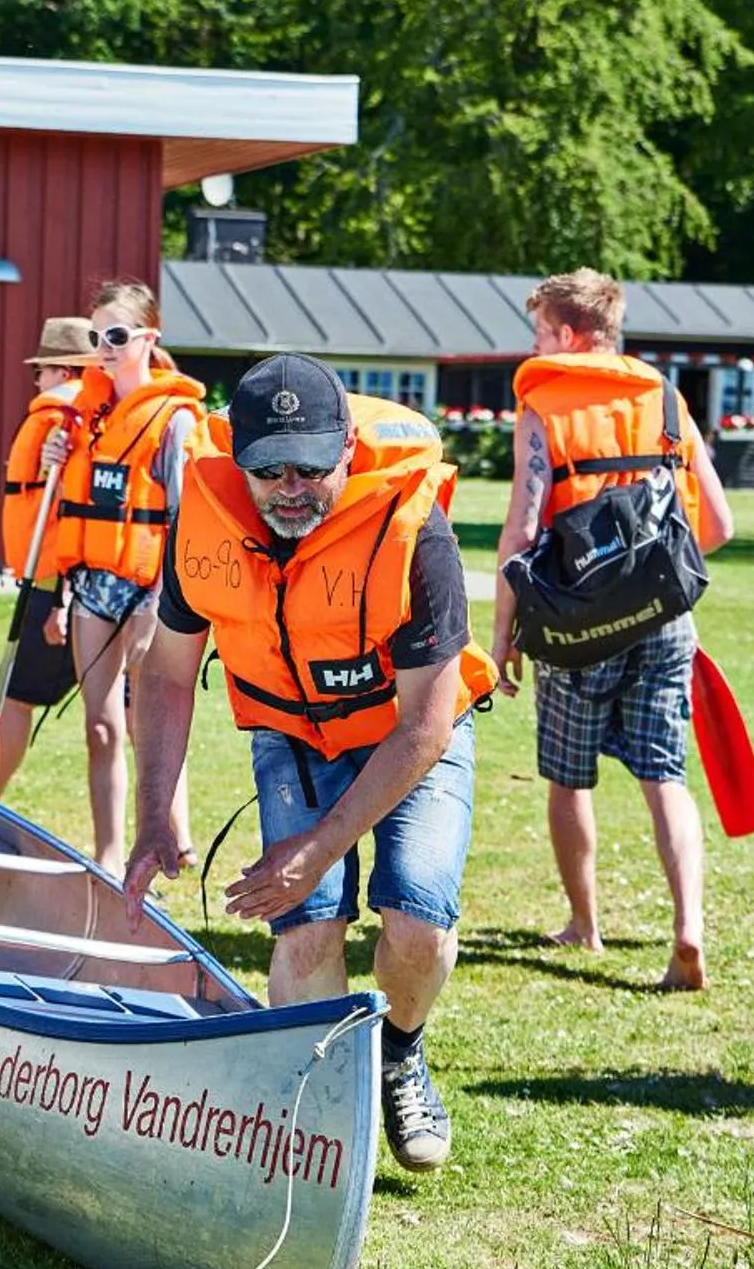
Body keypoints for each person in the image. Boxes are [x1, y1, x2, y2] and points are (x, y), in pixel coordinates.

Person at [123, 354, 494, 1171]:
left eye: (311, 468)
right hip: (293, 732)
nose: (291, 487)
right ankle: (317, 1115)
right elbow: (166, 671)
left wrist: (318, 847)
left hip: (409, 738)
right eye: (267, 470)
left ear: (350, 448)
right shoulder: (205, 519)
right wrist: (154, 813)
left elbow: (426, 721)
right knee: (304, 930)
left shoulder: (414, 527)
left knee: (418, 923)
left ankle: (400, 1052)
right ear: (238, 456)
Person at [491, 270, 736, 990]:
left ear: (569, 336)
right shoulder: (664, 397)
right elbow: (718, 525)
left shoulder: (542, 405)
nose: (534, 346)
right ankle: (687, 927)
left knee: (569, 779)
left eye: (539, 332)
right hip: (664, 618)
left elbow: (523, 528)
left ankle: (584, 925)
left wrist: (503, 634)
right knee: (667, 776)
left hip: (575, 628)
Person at [34, 280, 201, 875]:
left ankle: (170, 835)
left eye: (117, 335)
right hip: (91, 588)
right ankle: (106, 852)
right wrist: (58, 457)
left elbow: (186, 521)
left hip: (151, 591)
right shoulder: (86, 414)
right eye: (96, 335)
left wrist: (162, 602)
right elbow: (64, 508)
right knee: (100, 726)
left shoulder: (175, 420)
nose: (105, 346)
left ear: (148, 338)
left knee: (145, 723)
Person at [0, 316, 96, 785]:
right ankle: (176, 828)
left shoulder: (62, 422)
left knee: (14, 698)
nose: (37, 380)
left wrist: (59, 595)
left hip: (55, 582)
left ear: (65, 372)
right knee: (129, 712)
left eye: (43, 370)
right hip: (83, 583)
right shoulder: (98, 418)